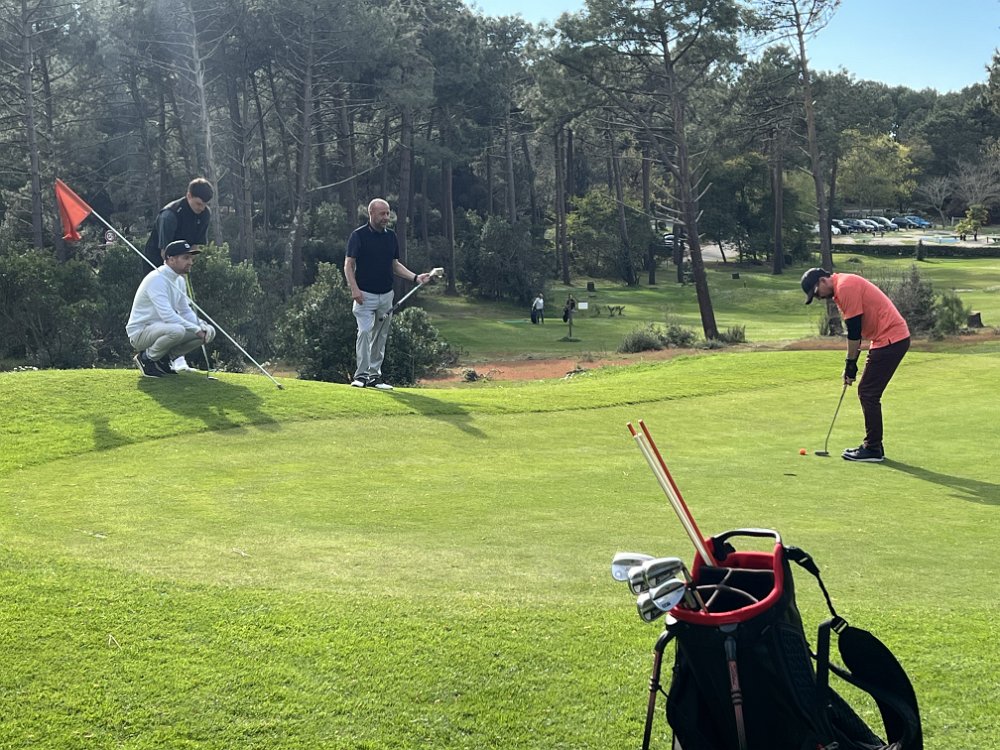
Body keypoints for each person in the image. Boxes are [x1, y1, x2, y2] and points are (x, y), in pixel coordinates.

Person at [802, 267, 910, 463]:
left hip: (891, 339)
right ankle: (874, 446)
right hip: (885, 339)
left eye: (816, 292)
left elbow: (854, 332)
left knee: (868, 392)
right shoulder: (842, 288)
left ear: (823, 280)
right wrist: (850, 365)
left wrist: (851, 364)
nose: (818, 297)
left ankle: (873, 448)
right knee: (868, 391)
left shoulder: (845, 287)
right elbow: (857, 333)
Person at [344, 198, 429, 390]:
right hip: (364, 295)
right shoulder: (358, 236)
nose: (386, 217)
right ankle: (361, 376)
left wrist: (416, 277)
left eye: (388, 213)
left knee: (380, 337)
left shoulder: (391, 237)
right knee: (364, 332)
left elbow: (395, 265)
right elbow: (349, 264)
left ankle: (375, 377)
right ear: (371, 213)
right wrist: (354, 289)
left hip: (386, 295)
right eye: (382, 213)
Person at [143, 178, 214, 372]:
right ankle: (151, 357)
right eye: (198, 203)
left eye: (205, 205)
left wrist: (186, 266)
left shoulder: (204, 214)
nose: (201, 208)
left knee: (183, 306)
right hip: (156, 263)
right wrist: (177, 272)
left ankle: (175, 359)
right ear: (188, 195)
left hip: (180, 262)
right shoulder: (170, 215)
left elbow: (195, 245)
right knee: (164, 310)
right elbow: (164, 252)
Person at [126, 240, 217, 378]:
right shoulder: (157, 279)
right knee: (178, 330)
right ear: (171, 259)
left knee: (209, 332)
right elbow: (167, 315)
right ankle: (146, 358)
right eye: (186, 258)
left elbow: (185, 311)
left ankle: (165, 358)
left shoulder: (179, 280)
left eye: (191, 258)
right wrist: (195, 329)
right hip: (140, 333)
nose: (190, 262)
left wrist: (201, 325)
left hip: (162, 329)